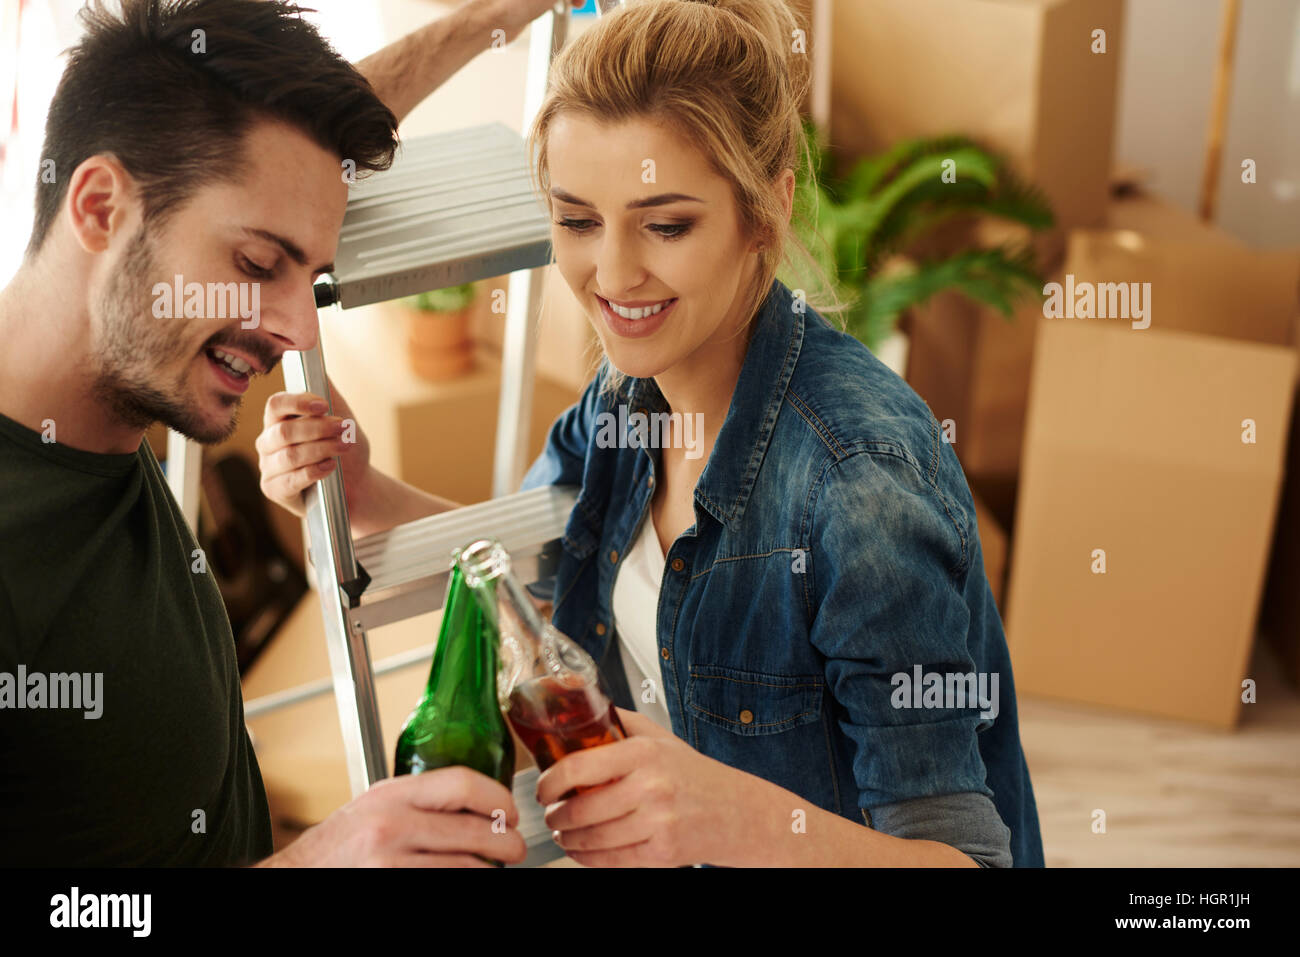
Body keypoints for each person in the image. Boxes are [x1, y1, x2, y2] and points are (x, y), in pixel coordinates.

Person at [257, 0, 1045, 867]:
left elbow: (969, 862)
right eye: (577, 221)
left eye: (666, 224)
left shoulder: (859, 486)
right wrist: (368, 493)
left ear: (765, 211)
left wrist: (726, 815)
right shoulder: (624, 401)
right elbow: (539, 593)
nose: (615, 274)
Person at [0, 0, 586, 867]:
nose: (298, 333)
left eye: (307, 273)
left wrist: (506, 11)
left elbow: (279, 162)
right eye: (255, 264)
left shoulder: (113, 394)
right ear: (100, 208)